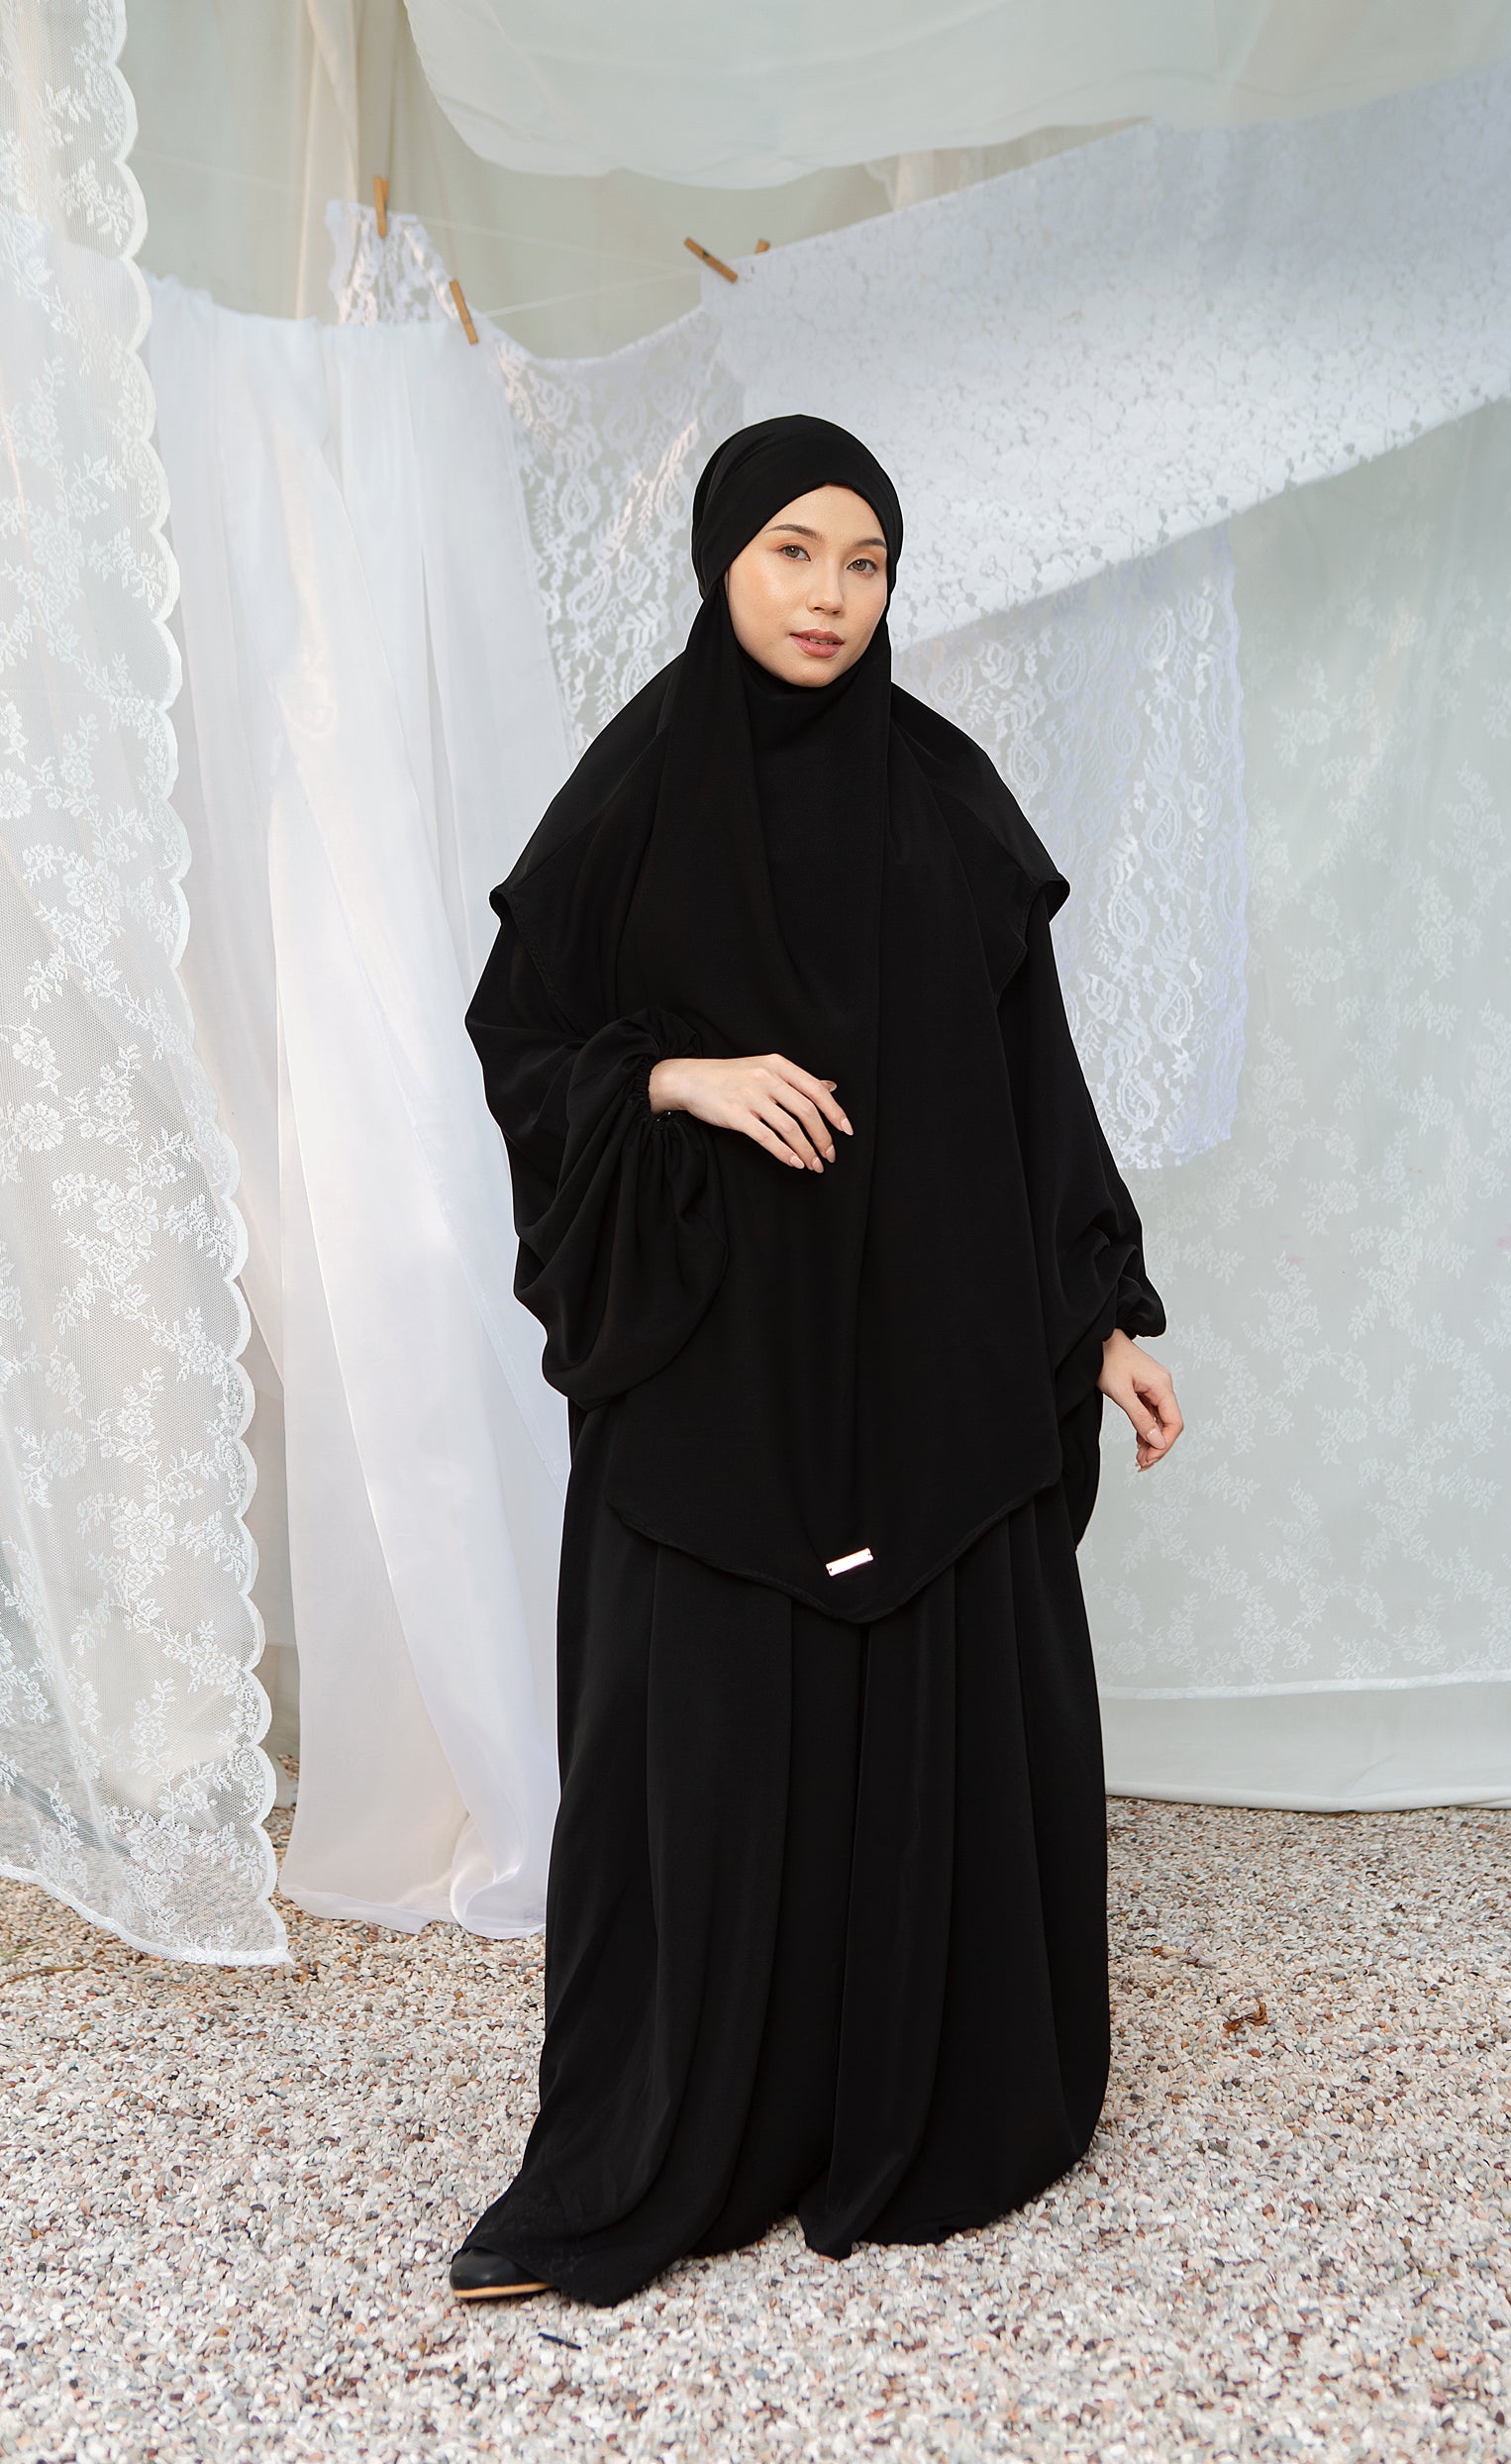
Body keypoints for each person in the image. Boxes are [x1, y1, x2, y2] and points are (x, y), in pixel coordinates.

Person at [453, 416, 1182, 2307]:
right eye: (794, 552)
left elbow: (1034, 1087)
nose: (830, 596)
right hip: (719, 1369)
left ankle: (922, 2098)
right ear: (719, 558)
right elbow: (524, 1032)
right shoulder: (638, 787)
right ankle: (684, 2133)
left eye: (865, 562)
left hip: (930, 1361)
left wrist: (1100, 1316)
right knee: (700, 1736)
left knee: (923, 1708)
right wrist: (679, 1076)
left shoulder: (942, 795)